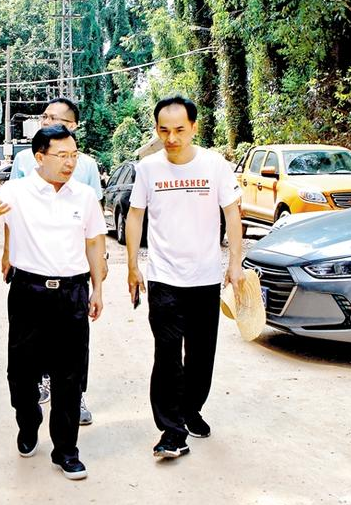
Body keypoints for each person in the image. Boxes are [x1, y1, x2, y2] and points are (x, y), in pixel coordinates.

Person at [0, 125, 106, 480]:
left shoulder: (84, 196)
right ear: (39, 157)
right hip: (28, 292)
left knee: (70, 374)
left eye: (74, 155)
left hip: (72, 293)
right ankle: (28, 420)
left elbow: (94, 242)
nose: (69, 163)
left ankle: (66, 450)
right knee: (21, 372)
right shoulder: (16, 191)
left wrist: (97, 288)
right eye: (61, 155)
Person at [125, 96, 245, 459]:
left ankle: (191, 409)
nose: (171, 138)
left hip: (204, 277)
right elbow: (135, 216)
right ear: (156, 129)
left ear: (194, 127)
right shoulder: (148, 168)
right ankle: (171, 431)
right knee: (166, 354)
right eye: (164, 130)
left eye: (179, 130)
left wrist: (235, 263)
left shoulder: (215, 165)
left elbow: (233, 214)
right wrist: (132, 265)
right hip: (163, 278)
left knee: (200, 354)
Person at [8, 97, 105, 425]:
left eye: (59, 119)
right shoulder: (24, 163)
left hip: (72, 273)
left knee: (72, 357)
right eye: (46, 116)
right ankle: (35, 397)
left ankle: (73, 402)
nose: (49, 122)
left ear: (74, 126)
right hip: (32, 275)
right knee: (26, 356)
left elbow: (94, 230)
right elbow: (5, 214)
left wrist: (98, 278)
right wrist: (8, 253)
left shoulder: (85, 168)